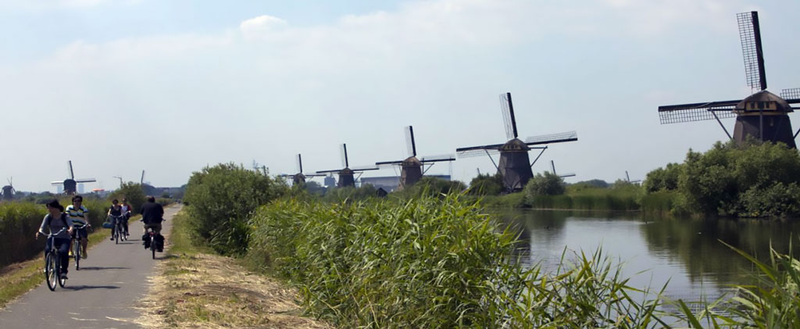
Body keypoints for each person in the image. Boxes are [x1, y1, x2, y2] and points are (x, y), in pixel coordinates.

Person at [36, 200, 73, 280]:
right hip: (52, 237)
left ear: (56, 208)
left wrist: (70, 230)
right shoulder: (48, 217)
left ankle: (63, 271)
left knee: (63, 252)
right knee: (47, 250)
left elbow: (71, 225)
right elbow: (42, 227)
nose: (49, 210)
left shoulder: (65, 216)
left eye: (50, 208)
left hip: (64, 238)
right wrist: (39, 232)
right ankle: (48, 266)